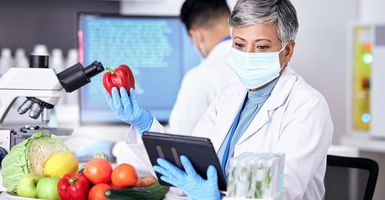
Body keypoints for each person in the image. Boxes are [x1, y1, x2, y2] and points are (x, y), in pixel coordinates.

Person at [105, 0, 333, 199]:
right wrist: (145, 126)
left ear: (288, 51)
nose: (248, 55)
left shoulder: (307, 106)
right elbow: (187, 164)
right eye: (240, 44)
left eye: (262, 46)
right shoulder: (232, 95)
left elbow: (283, 191)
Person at [169, 0, 238, 134]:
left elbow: (177, 140)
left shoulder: (199, 77)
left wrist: (117, 149)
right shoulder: (264, 60)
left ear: (197, 36)